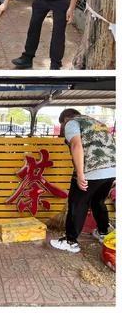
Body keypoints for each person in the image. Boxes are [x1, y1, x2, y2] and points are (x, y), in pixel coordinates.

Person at [50, 109, 115, 254]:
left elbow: (76, 145)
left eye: (61, 124)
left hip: (92, 170)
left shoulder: (72, 123)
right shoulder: (98, 123)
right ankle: (103, 232)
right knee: (98, 201)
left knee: (77, 203)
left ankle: (70, 241)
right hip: (112, 169)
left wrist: (80, 174)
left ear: (64, 119)